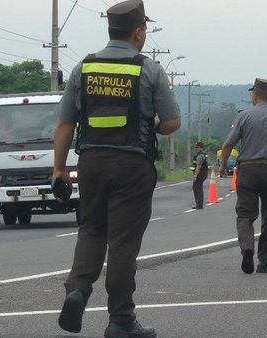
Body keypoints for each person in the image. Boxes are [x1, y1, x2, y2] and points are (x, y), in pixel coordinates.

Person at [52, 1, 180, 336]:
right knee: (123, 241)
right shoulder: (149, 70)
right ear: (138, 32)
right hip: (131, 166)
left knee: (92, 229)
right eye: (146, 30)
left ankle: (78, 288)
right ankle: (121, 320)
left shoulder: (84, 68)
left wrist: (58, 170)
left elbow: (65, 125)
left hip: (91, 163)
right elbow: (172, 122)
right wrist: (150, 126)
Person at [219, 78, 267, 274]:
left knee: (245, 214)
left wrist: (222, 167)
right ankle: (264, 261)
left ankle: (247, 248)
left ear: (254, 95)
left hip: (248, 169)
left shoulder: (243, 117)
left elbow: (228, 144)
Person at [190, 142, 208, 209]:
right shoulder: (200, 155)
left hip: (201, 173)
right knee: (196, 187)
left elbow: (198, 167)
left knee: (198, 188)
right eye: (196, 147)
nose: (196, 148)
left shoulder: (200, 156)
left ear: (201, 148)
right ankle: (198, 204)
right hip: (202, 173)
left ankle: (199, 205)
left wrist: (195, 176)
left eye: (198, 147)